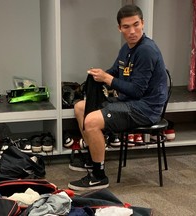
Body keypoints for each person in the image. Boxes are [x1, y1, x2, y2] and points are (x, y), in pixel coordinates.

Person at [68, 4, 168, 191]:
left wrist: (108, 79)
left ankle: (99, 176)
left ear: (143, 23)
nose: (132, 31)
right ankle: (93, 159)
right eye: (126, 27)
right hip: (130, 102)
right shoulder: (126, 49)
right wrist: (101, 75)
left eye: (136, 25)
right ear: (119, 28)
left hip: (146, 109)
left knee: (91, 121)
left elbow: (137, 91)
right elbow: (116, 72)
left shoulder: (146, 50)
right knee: (81, 107)